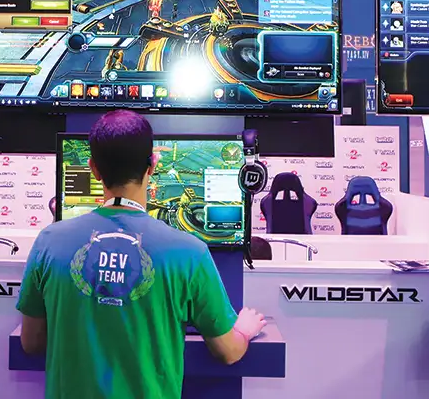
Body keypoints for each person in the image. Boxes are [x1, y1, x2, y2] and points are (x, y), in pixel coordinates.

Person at [16, 110, 265, 398]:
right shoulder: (190, 252)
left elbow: (31, 342)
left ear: (93, 168)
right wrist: (244, 330)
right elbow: (228, 351)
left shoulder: (48, 242)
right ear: (153, 164)